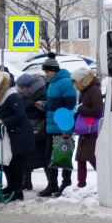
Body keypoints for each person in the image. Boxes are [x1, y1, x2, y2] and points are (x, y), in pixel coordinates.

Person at [0, 71, 36, 202]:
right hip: (9, 135)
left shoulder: (12, 97)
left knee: (15, 163)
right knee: (5, 162)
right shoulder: (2, 99)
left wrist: (3, 121)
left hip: (19, 135)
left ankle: (17, 191)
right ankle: (10, 186)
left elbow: (20, 115)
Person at [38, 56, 76, 198]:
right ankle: (52, 184)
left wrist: (66, 129)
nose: (45, 73)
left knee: (64, 156)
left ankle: (66, 183)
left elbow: (69, 106)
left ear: (54, 70)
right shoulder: (53, 83)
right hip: (51, 126)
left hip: (61, 127)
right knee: (49, 155)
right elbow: (53, 104)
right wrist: (44, 105)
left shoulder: (65, 83)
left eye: (47, 71)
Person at [71, 68, 103, 189]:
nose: (75, 86)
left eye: (76, 82)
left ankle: (104, 180)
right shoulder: (85, 91)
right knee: (80, 157)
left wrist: (80, 109)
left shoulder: (93, 90)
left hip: (92, 130)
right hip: (85, 129)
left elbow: (97, 110)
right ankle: (81, 184)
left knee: (90, 156)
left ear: (83, 80)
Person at [16, 74, 49, 191]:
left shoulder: (40, 92)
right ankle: (26, 182)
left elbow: (43, 109)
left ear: (29, 86)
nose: (21, 90)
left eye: (23, 87)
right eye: (20, 88)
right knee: (26, 157)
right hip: (27, 130)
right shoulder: (23, 94)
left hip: (39, 130)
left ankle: (51, 183)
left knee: (44, 157)